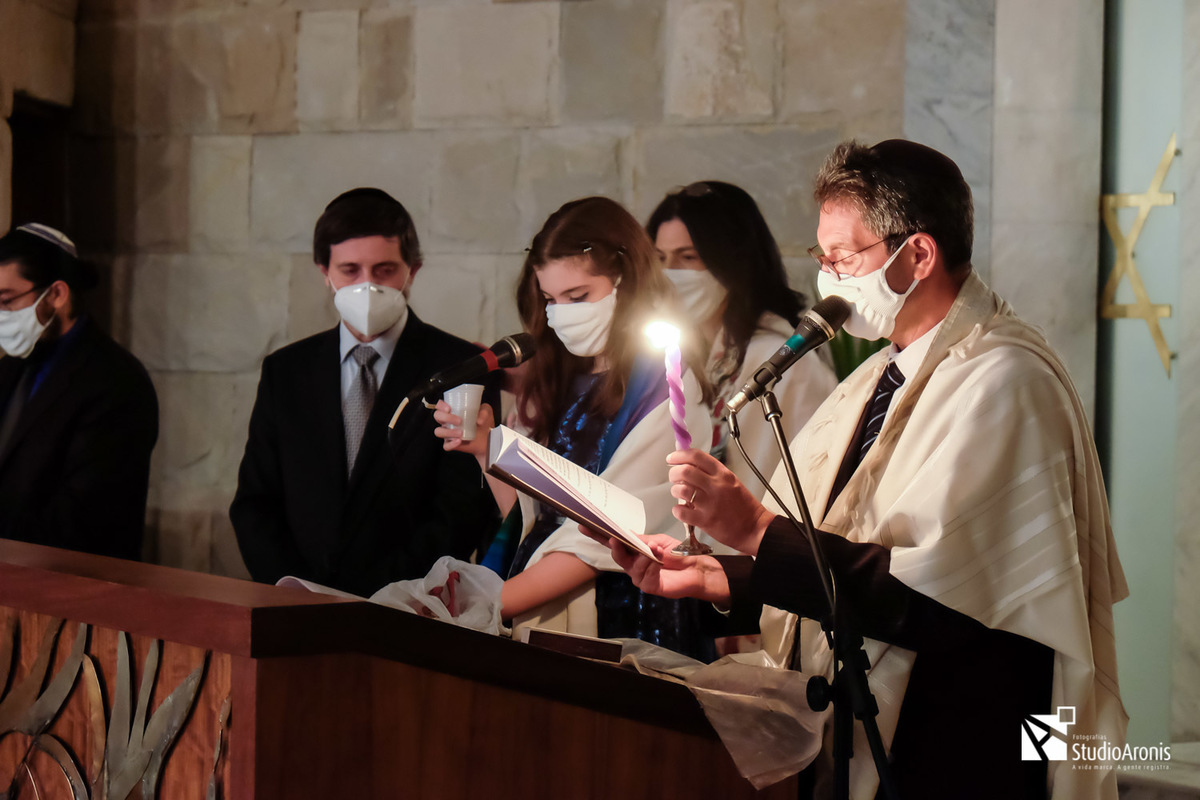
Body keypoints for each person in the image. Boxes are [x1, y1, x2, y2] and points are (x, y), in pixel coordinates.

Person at [603, 141, 1128, 799]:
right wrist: (724, 578)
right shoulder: (882, 372)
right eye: (821, 257)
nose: (828, 277)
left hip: (955, 744)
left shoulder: (1004, 381)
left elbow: (939, 601)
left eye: (844, 257)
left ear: (918, 255)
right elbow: (854, 554)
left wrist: (758, 531)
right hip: (868, 729)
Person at [433, 196, 715, 659]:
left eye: (578, 297)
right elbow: (531, 518)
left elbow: (608, 533)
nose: (561, 313)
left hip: (625, 613)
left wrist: (489, 605)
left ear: (625, 279)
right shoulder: (557, 375)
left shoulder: (665, 384)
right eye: (550, 300)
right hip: (540, 600)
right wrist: (487, 450)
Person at [231, 188, 498, 597]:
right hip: (294, 604)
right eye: (350, 270)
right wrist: (294, 590)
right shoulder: (286, 371)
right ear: (325, 272)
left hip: (407, 607)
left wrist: (379, 598)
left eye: (385, 270)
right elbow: (255, 502)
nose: (367, 286)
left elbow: (460, 511)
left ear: (413, 270)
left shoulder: (460, 368)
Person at [647, 181, 838, 518]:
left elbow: (770, 490)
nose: (670, 273)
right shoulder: (687, 351)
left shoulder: (781, 361)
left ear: (731, 261)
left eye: (688, 257)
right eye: (660, 258)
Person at [0, 223, 158, 560]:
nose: (1, 315)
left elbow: (84, 519)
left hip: (73, 579)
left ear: (56, 294)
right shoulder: (11, 367)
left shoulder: (115, 381)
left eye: (6, 301)